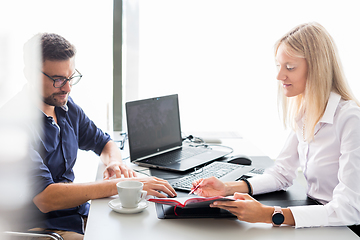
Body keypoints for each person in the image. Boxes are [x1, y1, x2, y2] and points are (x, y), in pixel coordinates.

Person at [6, 33, 177, 240]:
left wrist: (114, 163)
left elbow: (104, 142)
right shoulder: (12, 125)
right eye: (58, 80)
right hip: (41, 230)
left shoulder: (64, 107)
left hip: (75, 215)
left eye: (70, 78)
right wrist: (122, 185)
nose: (67, 88)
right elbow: (46, 198)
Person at [191, 22, 360, 229]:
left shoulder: (350, 119)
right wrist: (226, 188)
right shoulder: (306, 112)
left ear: (318, 68)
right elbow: (282, 172)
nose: (280, 76)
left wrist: (269, 214)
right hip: (316, 218)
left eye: (290, 67)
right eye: (278, 66)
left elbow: (348, 210)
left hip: (344, 227)